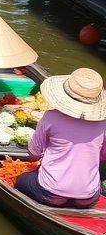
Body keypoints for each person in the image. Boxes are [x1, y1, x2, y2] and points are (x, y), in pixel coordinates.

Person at [15, 68, 106, 209]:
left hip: (50, 193)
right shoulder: (103, 123)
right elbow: (103, 156)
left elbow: (33, 153)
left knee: (21, 180)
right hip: (88, 197)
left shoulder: (51, 116)